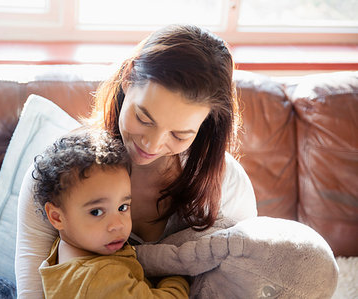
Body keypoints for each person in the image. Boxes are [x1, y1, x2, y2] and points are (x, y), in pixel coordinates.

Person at [15, 24, 257, 298]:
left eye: (180, 134)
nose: (152, 145)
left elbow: (244, 280)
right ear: (128, 78)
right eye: (144, 118)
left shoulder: (229, 187)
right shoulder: (61, 170)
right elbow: (32, 286)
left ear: (206, 124)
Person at [31, 128, 189, 298]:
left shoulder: (65, 251)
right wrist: (178, 276)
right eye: (97, 212)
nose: (117, 225)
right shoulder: (100, 278)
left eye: (123, 207)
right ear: (56, 217)